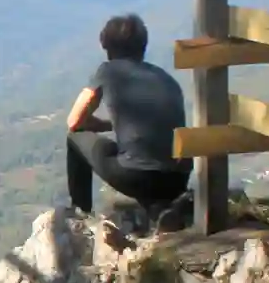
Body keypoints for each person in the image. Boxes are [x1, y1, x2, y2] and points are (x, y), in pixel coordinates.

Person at [65, 13, 194, 223]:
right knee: (138, 153)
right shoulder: (165, 78)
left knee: (75, 137)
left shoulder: (108, 71)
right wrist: (115, 125)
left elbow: (74, 121)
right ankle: (159, 209)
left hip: (137, 176)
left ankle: (80, 217)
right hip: (177, 180)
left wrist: (105, 125)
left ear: (106, 46)